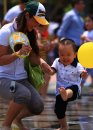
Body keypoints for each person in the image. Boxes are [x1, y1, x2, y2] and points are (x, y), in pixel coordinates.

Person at [0, 1, 51, 130]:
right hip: (3, 79)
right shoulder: (6, 31)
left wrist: (44, 65)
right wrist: (17, 54)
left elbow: (33, 56)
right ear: (27, 15)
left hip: (21, 78)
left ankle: (16, 119)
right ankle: (6, 125)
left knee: (38, 106)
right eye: (36, 20)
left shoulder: (31, 32)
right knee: (23, 94)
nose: (38, 24)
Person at [48, 38, 87, 130]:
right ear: (58, 54)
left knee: (72, 89)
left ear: (75, 55)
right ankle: (64, 126)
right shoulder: (57, 62)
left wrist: (84, 74)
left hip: (74, 90)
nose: (65, 57)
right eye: (62, 55)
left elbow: (82, 74)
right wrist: (47, 69)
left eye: (68, 55)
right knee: (58, 110)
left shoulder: (78, 65)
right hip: (60, 90)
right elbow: (52, 71)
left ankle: (66, 93)